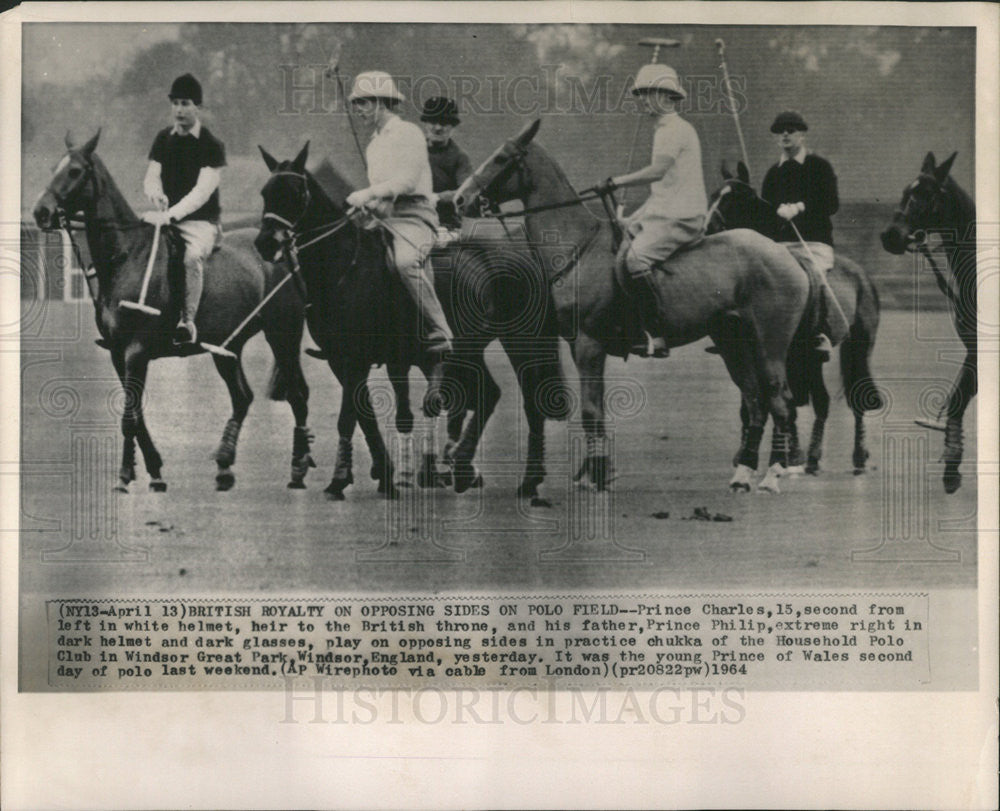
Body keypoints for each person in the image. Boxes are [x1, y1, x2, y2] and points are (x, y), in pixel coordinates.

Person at [596, 63, 706, 358]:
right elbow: (663, 190)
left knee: (635, 261)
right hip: (664, 212)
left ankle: (659, 333)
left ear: (667, 96)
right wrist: (633, 218)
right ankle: (629, 327)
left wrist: (617, 181)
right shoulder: (664, 130)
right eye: (640, 94)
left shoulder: (674, 129)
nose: (641, 100)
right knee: (619, 250)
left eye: (648, 93)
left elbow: (657, 172)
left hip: (683, 216)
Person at [345, 71, 453, 356]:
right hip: (384, 217)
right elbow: (381, 189)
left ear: (381, 102)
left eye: (363, 103)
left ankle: (441, 329)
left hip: (415, 216)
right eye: (356, 104)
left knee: (405, 262)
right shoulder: (373, 144)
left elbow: (405, 182)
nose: (358, 110)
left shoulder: (409, 133)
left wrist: (367, 194)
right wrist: (366, 205)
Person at [141, 73, 226, 344]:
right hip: (166, 217)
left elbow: (202, 193)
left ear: (197, 107)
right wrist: (157, 195)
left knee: (190, 258)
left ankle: (187, 322)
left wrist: (171, 215)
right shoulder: (163, 138)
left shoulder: (211, 145)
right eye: (175, 103)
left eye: (185, 103)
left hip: (200, 224)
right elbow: (152, 176)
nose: (179, 109)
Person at [761, 110, 847, 360]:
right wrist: (773, 213)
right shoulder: (772, 173)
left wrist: (799, 207)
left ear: (802, 134)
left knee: (815, 279)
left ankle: (820, 332)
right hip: (781, 245)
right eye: (780, 131)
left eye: (791, 129)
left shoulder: (819, 166)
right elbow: (766, 213)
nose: (785, 134)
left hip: (813, 242)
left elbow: (831, 203)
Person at [420, 96, 473, 237]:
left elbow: (466, 192)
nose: (438, 128)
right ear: (425, 123)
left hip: (445, 225)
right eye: (433, 121)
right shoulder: (412, 150)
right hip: (412, 219)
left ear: (453, 126)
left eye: (444, 123)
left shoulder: (460, 157)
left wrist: (437, 198)